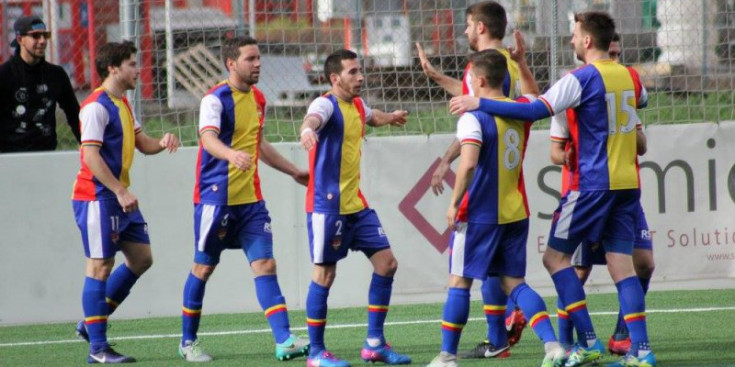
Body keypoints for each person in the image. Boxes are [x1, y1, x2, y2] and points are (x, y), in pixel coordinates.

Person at [448, 11, 656, 367]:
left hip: (591, 185)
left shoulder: (581, 78)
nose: (572, 41)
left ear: (588, 41)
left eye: (575, 35)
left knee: (554, 258)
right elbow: (641, 106)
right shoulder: (632, 77)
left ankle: (587, 340)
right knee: (622, 267)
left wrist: (479, 102)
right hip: (627, 185)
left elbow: (534, 111)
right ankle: (642, 350)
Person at [426, 49, 565, 367]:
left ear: (481, 79)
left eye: (471, 77)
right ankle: (552, 345)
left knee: (459, 280)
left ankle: (447, 356)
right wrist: (523, 61)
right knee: (515, 283)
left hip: (479, 215)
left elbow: (470, 163)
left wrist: (453, 202)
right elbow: (534, 96)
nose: (468, 83)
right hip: (515, 212)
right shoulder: (521, 110)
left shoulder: (473, 116)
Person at [177, 36, 310, 362]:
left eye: (259, 58)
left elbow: (259, 144)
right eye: (250, 59)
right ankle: (187, 341)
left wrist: (293, 170)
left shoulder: (259, 99)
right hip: (215, 201)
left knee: (265, 264)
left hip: (250, 203)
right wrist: (231, 155)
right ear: (231, 63)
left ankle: (283, 339)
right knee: (203, 268)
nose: (258, 64)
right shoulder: (215, 100)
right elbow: (207, 139)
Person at [415, 1, 536, 357]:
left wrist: (448, 163)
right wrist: (437, 77)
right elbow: (520, 104)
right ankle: (503, 339)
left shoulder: (479, 69)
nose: (465, 32)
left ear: (481, 27)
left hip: (485, 184)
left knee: (464, 272)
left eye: (468, 25)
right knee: (500, 269)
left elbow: (476, 118)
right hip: (512, 177)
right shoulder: (511, 63)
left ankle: (453, 352)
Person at [299, 49, 411, 367]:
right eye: (352, 72)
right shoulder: (325, 104)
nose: (360, 77)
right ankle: (316, 353)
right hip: (327, 208)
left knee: (387, 264)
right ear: (335, 78)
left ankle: (374, 344)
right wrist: (307, 130)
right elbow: (312, 118)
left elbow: (370, 115)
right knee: (324, 275)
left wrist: (390, 118)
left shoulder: (358, 104)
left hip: (357, 206)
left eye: (360, 71)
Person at [71, 40, 180, 364]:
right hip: (97, 197)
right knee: (99, 267)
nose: (139, 70)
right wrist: (119, 190)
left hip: (119, 197)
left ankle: (91, 323)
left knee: (141, 258)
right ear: (113, 68)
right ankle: (98, 349)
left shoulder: (122, 103)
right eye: (132, 64)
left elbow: (142, 143)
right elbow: (90, 155)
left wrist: (162, 141)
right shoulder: (95, 107)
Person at [551, 33, 655, 357]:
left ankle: (626, 339)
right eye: (609, 52)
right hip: (587, 191)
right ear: (589, 48)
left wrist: (626, 132)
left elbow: (642, 145)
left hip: (623, 191)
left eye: (618, 53)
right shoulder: (572, 89)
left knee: (643, 264)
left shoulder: (625, 88)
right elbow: (555, 150)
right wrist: (568, 154)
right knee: (576, 269)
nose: (614, 59)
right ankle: (571, 343)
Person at [0, 15, 80, 152]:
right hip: (10, 156)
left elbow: (74, 114)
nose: (42, 41)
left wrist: (86, 143)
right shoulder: (5, 74)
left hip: (46, 154)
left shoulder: (56, 74)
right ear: (20, 40)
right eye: (36, 36)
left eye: (45, 35)